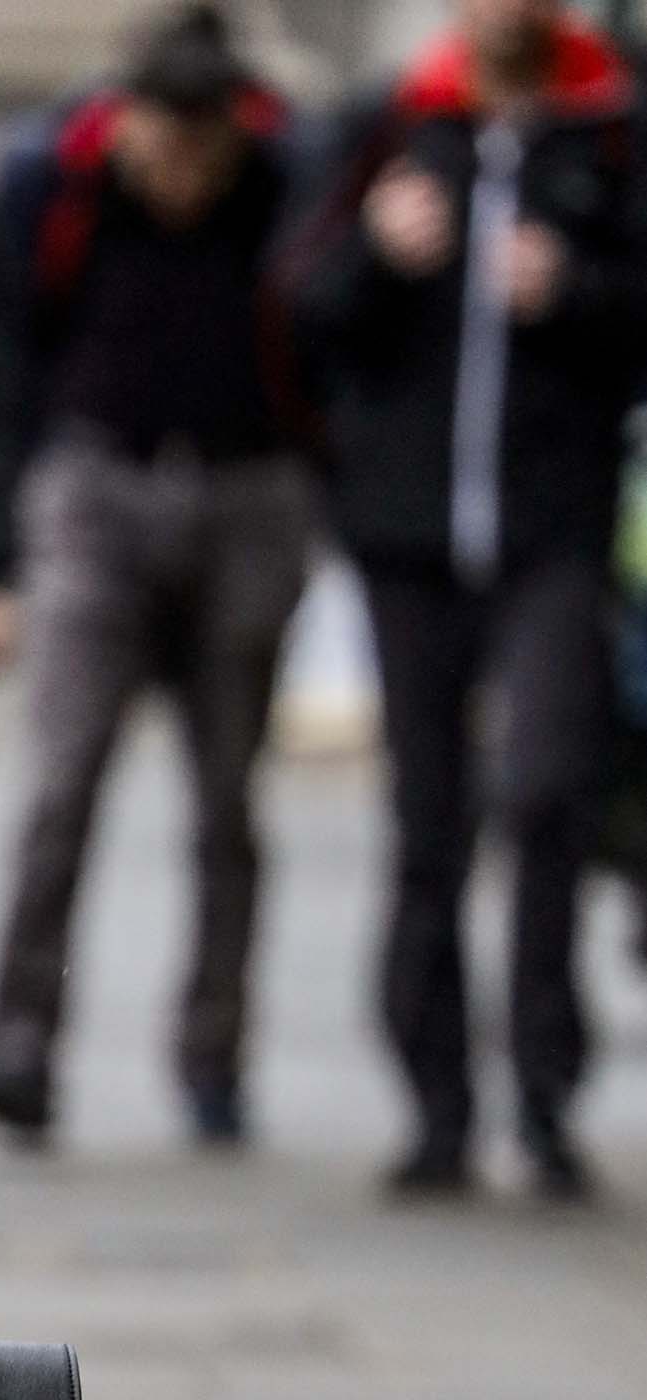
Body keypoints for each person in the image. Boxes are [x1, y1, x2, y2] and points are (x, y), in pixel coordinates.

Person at [285, 0, 647, 1199]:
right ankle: (438, 1103)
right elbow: (299, 311)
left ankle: (544, 1091)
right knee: (427, 823)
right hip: (411, 537)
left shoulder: (611, 134)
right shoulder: (391, 128)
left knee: (546, 793)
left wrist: (581, 289)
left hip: (553, 532)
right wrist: (377, 258)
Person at [0, 3, 316, 1148]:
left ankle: (215, 1056)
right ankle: (18, 1042)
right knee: (61, 785)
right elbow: (2, 365)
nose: (180, 172)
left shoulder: (286, 185)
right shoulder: (53, 190)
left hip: (249, 490)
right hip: (94, 488)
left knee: (227, 802)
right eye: (162, 142)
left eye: (201, 146)